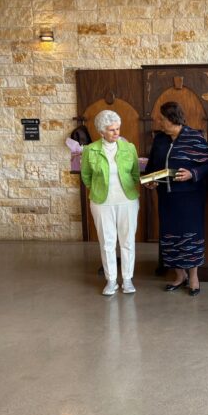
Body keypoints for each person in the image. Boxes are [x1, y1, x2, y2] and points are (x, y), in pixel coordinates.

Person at [144, 101, 208, 297]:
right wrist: (150, 181)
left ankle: (193, 277)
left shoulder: (194, 137)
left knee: (190, 236)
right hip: (166, 198)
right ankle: (179, 275)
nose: (159, 122)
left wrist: (192, 173)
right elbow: (151, 167)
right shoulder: (160, 139)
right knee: (170, 236)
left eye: (162, 119)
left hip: (190, 199)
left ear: (172, 119)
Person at [81, 110, 140, 296]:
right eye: (111, 130)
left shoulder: (129, 148)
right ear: (101, 132)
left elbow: (135, 173)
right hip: (101, 202)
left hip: (127, 201)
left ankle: (128, 279)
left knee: (127, 241)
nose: (116, 133)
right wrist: (97, 189)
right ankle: (111, 280)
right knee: (107, 242)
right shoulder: (90, 150)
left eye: (118, 128)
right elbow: (86, 176)